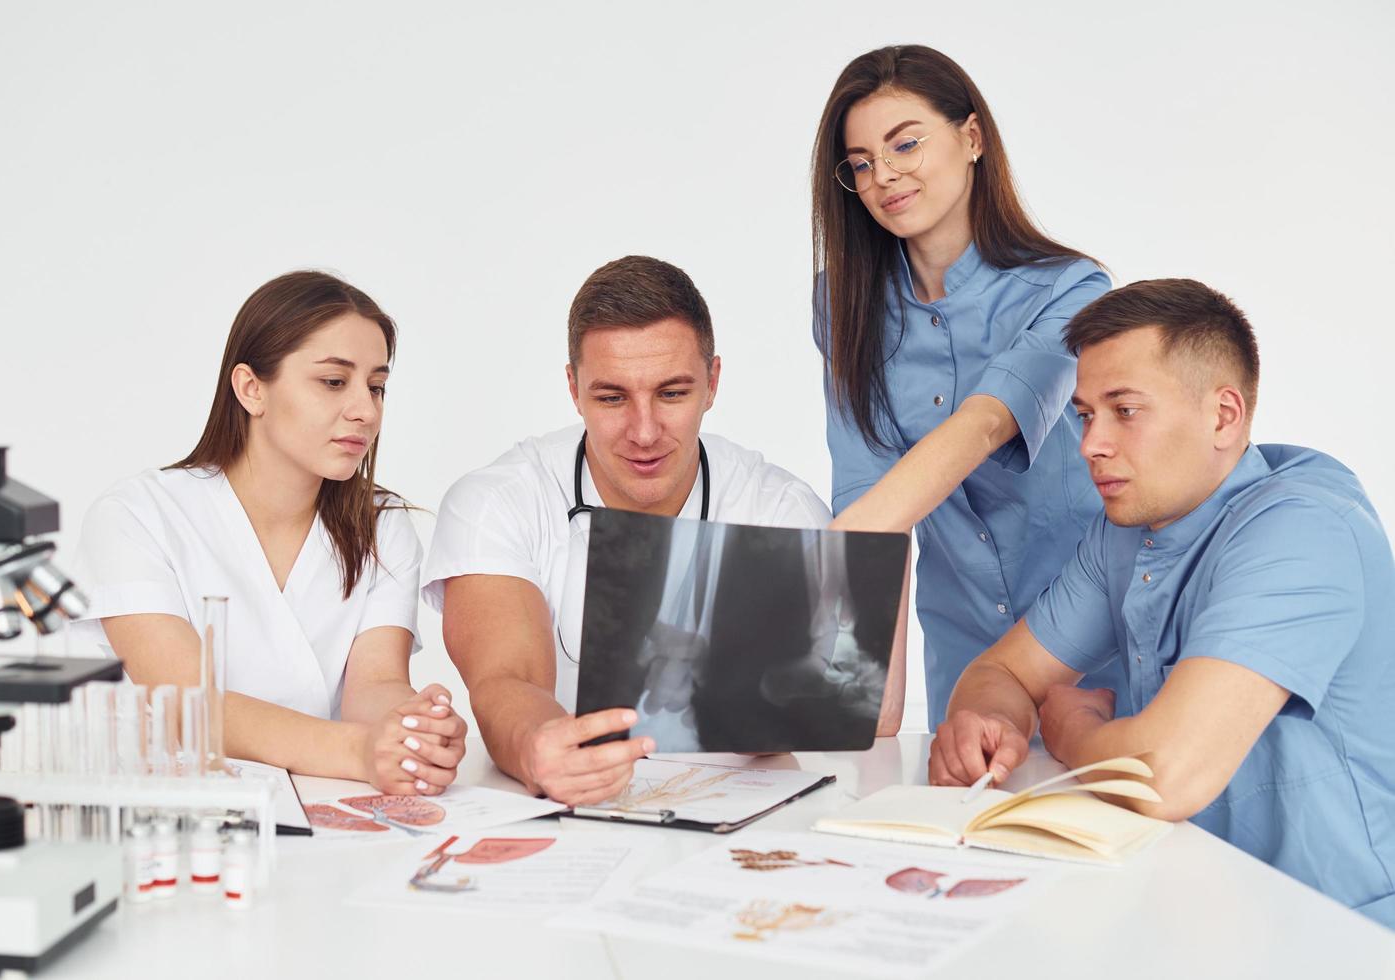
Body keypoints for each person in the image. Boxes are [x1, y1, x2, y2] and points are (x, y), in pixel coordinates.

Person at [929, 279, 1395, 926]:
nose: (1090, 444)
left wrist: (1074, 732)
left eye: (1125, 410)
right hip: (1199, 906)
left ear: (1224, 416)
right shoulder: (1127, 532)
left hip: (1340, 932)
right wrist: (991, 723)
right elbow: (1002, 672)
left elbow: (1164, 775)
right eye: (1087, 414)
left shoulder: (1306, 531)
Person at [422, 255, 898, 806]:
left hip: (745, 816)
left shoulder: (780, 510)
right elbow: (507, 681)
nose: (644, 432)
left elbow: (831, 700)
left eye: (672, 394)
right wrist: (539, 747)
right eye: (611, 397)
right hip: (567, 813)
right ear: (573, 389)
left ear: (713, 383)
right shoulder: (496, 503)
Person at [812, 44, 1119, 728]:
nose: (883, 176)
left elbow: (986, 424)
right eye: (861, 163)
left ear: (972, 137)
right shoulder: (845, 304)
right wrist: (868, 716)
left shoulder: (1071, 290)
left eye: (905, 145)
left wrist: (794, 584)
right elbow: (869, 501)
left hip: (1092, 647)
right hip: (963, 656)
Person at [73, 271, 466, 795]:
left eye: (377, 387)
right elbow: (190, 707)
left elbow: (373, 685)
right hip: (167, 818)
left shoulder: (381, 523)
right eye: (333, 381)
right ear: (251, 388)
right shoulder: (135, 516)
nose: (366, 411)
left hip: (319, 804)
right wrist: (359, 751)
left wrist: (412, 729)